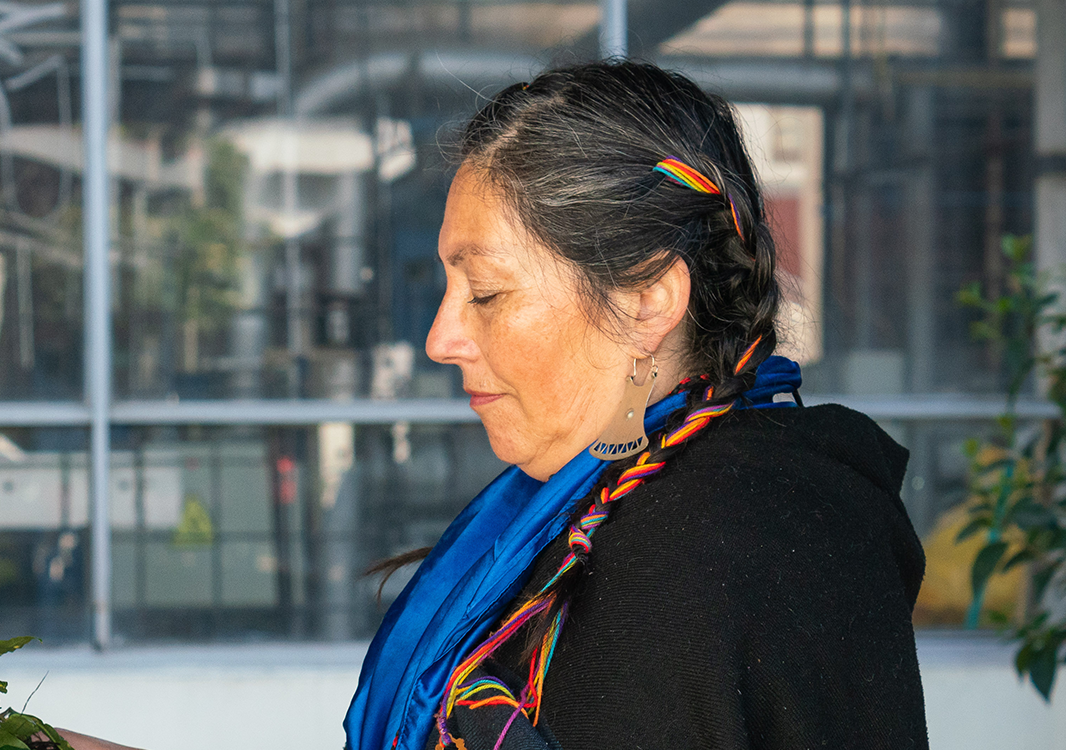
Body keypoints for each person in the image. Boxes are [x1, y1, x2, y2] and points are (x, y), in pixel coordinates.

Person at [347, 61, 927, 750]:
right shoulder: (750, 495)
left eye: (487, 292)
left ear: (648, 299)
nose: (440, 339)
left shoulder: (671, 562)